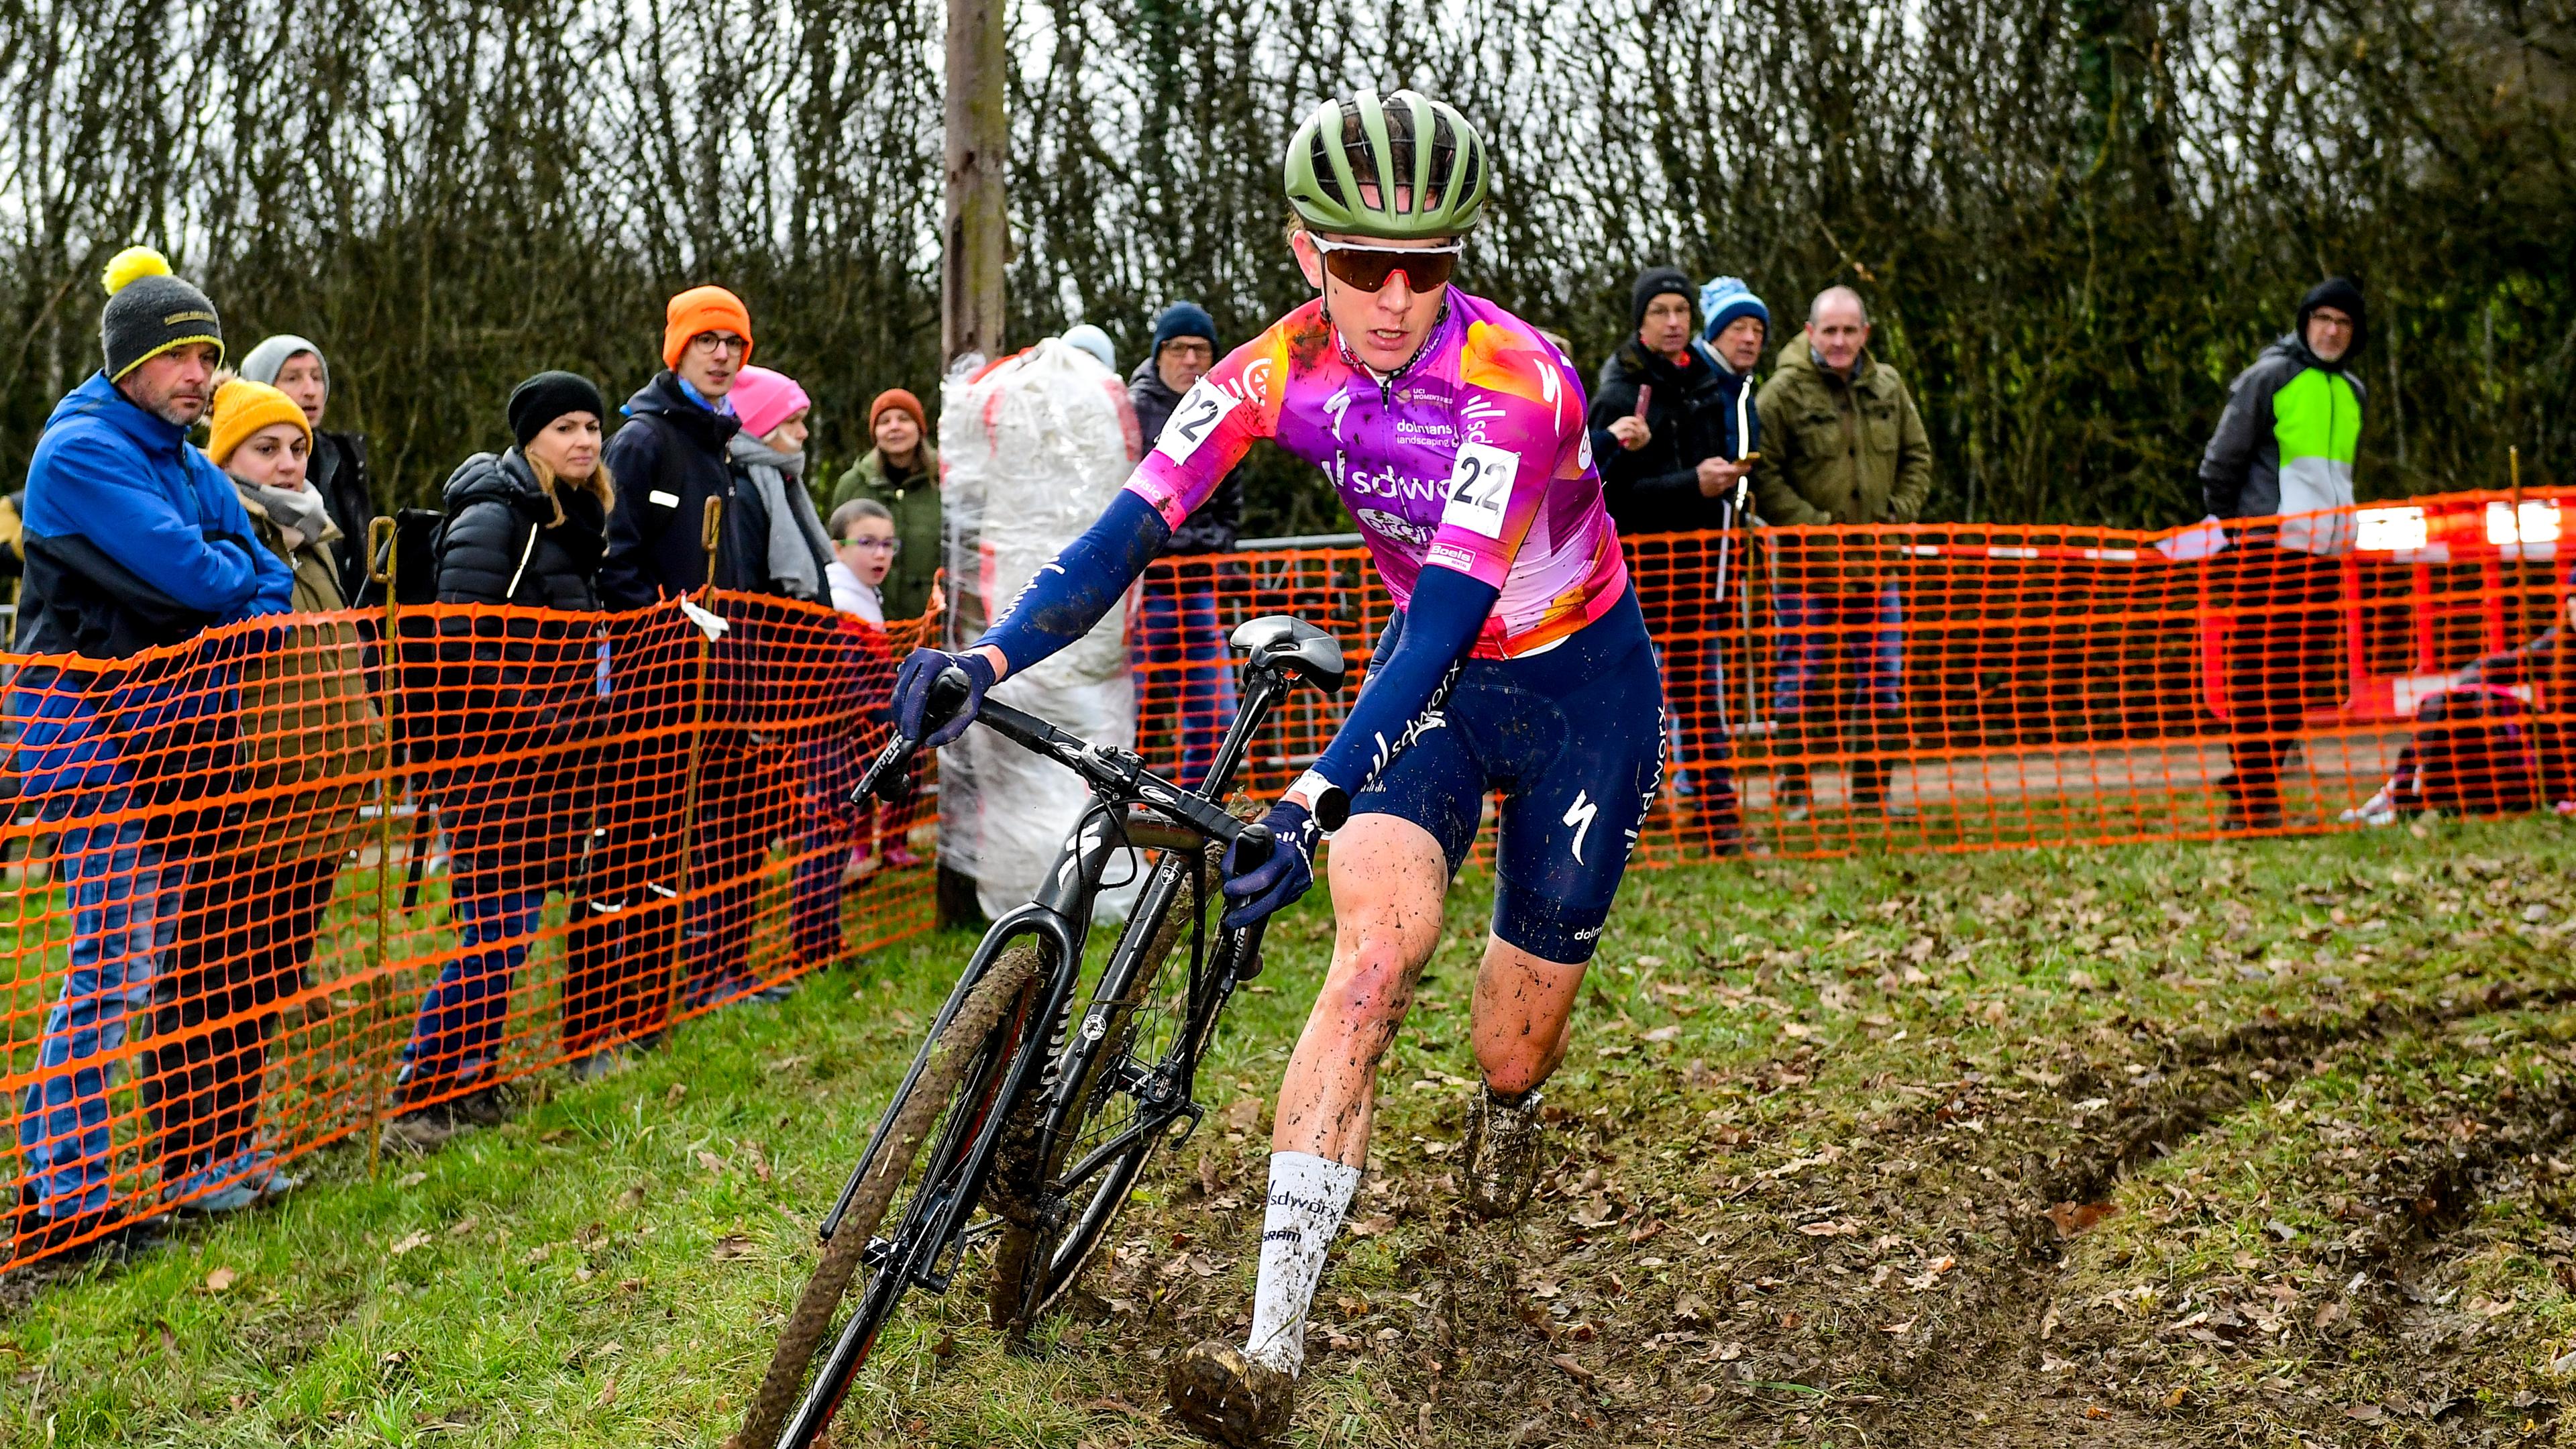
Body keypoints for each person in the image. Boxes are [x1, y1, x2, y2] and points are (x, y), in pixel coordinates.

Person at [887, 91, 1660, 1446]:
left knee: (1512, 1036)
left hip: (1579, 689)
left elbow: (1443, 615)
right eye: (1366, 264)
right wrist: (988, 661)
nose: (1399, 297)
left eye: (1431, 264)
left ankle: (1507, 1108)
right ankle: (1271, 1350)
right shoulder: (1263, 374)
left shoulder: (1519, 383)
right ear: (1309, 250)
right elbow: (1120, 537)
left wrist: (1311, 795)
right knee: (1371, 955)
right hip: (1443, 699)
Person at [10, 248, 296, 1256]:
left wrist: (230, 585)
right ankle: (63, 1204)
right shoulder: (82, 451)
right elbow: (197, 573)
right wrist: (227, 585)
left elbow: (264, 573)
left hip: (162, 733)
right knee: (109, 969)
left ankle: (77, 1184)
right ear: (133, 362)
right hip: (83, 737)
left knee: (133, 965)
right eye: (182, 355)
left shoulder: (178, 454)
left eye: (210, 354)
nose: (202, 375)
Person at [142, 378, 380, 1209]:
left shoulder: (317, 536)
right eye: (264, 449)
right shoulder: (221, 533)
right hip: (242, 806)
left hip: (314, 810)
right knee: (209, 983)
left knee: (268, 982)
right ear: (225, 458)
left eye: (296, 448)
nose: (286, 463)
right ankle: (187, 1160)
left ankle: (235, 1144)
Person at [389, 372, 618, 1139]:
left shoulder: (573, 518)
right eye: (565, 428)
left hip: (549, 765)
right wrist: (544, 719)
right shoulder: (497, 514)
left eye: (591, 425)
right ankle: (418, 1093)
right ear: (531, 440)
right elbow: (461, 635)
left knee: (512, 935)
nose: (583, 440)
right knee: (496, 932)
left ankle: (474, 1083)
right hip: (490, 763)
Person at [594, 291, 803, 1011]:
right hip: (662, 688)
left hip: (729, 682)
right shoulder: (643, 441)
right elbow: (617, 564)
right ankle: (636, 996)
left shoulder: (719, 441)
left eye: (734, 344)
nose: (722, 355)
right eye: (707, 341)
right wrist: (665, 639)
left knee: (736, 831)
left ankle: (719, 973)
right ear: (676, 349)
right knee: (649, 845)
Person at [1584, 268, 1763, 852]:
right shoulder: (1619, 391)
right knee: (1628, 705)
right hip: (1632, 578)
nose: (1673, 322)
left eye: (1682, 311)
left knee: (1701, 702)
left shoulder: (1708, 384)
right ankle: (1617, 825)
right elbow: (1604, 494)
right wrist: (1693, 485)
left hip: (1698, 573)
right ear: (1641, 320)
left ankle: (1719, 821)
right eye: (1660, 311)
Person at [1750, 284, 1932, 821]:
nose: (1839, 340)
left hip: (1879, 566)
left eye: (1850, 330)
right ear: (1810, 333)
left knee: (1884, 681)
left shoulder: (1889, 387)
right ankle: (1795, 791)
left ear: (1865, 334)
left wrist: (1898, 512)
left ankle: (1874, 793)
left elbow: (1918, 456)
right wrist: (1813, 526)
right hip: (1807, 568)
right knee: (1800, 681)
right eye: (1829, 330)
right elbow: (1763, 472)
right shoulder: (1780, 394)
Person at [2198, 278, 2367, 831]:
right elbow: (2219, 464)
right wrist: (2233, 533)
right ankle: (2248, 798)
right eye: (2323, 318)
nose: (2332, 330)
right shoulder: (2267, 378)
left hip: (2324, 558)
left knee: (2297, 680)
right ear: (2305, 321)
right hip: (2267, 552)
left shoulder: (2353, 392)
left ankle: (2262, 789)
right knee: (2255, 677)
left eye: (2343, 322)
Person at [1128, 301, 1245, 785]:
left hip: (1197, 589)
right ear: (1159, 354)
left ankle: (1192, 821)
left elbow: (1230, 511)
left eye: (1202, 350)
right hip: (1140, 594)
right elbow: (1124, 504)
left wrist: (1193, 540)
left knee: (1217, 718)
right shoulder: (1131, 412)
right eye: (1179, 349)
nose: (1192, 360)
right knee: (1132, 722)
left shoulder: (1224, 412)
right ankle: (1118, 821)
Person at [237, 335, 376, 603]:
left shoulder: (347, 458)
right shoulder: (226, 480)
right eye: (293, 378)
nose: (310, 390)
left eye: (317, 377)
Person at [828, 390, 940, 620]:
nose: (894, 427)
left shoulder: (944, 482)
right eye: (884, 421)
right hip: (863, 620)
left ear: (919, 427)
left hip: (932, 623)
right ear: (875, 433)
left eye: (904, 419)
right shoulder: (852, 484)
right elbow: (835, 552)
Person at [828, 498, 898, 624]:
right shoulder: (840, 604)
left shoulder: (866, 592)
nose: (881, 554)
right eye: (867, 543)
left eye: (887, 544)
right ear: (838, 550)